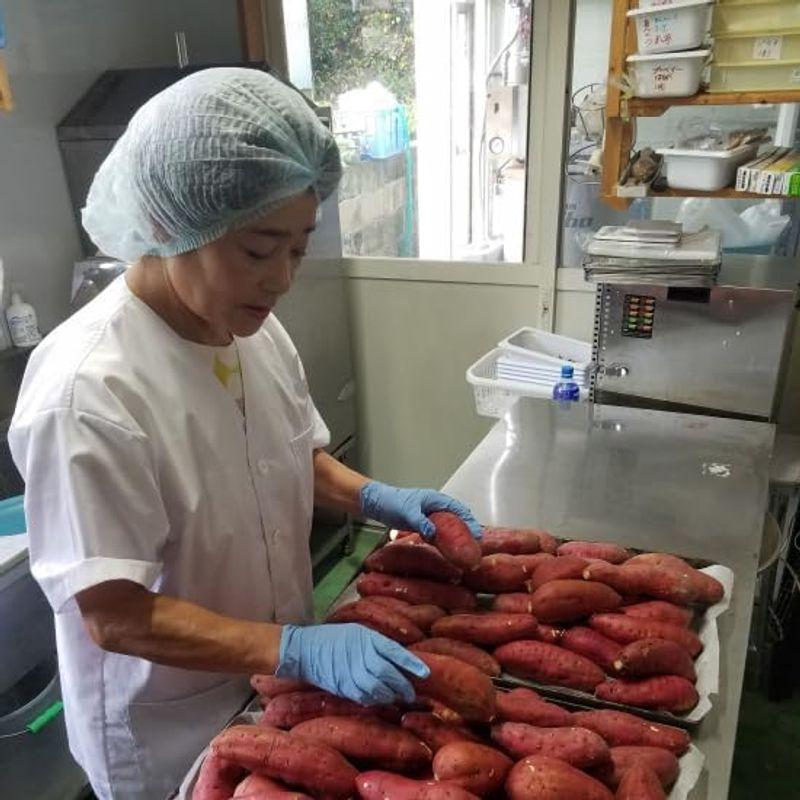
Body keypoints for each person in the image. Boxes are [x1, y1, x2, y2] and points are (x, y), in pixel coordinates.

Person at [9, 68, 481, 800]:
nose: (284, 279)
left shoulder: (251, 330)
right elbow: (114, 616)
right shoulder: (89, 392)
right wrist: (291, 647)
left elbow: (295, 458)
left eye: (298, 249)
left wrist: (378, 498)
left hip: (276, 692)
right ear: (171, 228)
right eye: (261, 251)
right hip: (168, 730)